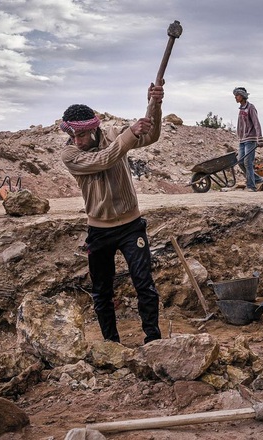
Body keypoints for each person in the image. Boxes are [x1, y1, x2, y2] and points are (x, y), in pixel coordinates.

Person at [59, 83, 164, 345]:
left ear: (94, 129)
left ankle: (153, 341)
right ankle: (111, 345)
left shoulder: (113, 135)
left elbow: (151, 136)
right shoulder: (70, 154)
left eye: (81, 136)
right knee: (102, 291)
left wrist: (155, 104)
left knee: (144, 285)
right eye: (73, 136)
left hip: (131, 225)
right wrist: (129, 135)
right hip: (99, 231)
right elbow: (104, 159)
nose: (77, 141)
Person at [233, 87, 263, 192]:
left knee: (248, 162)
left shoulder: (250, 108)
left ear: (242, 96)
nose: (235, 97)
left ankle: (251, 186)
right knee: (240, 161)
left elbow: (256, 123)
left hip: (250, 139)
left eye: (237, 95)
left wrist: (259, 138)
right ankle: (258, 179)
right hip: (242, 140)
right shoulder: (241, 109)